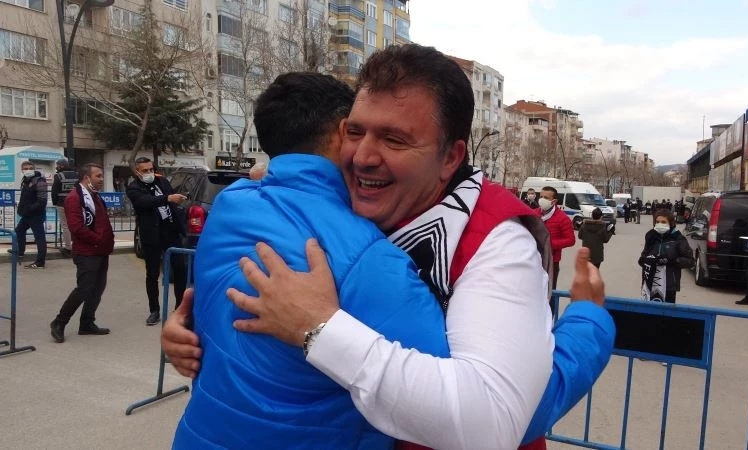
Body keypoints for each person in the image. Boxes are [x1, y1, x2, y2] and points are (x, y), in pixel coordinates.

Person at [163, 45, 613, 450]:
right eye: (355, 132)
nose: (363, 156)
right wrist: (197, 333)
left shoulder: (498, 241)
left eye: (394, 139)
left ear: (450, 157)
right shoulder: (330, 213)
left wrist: (320, 330)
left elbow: (497, 417)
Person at [49, 163, 114, 343]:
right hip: (87, 252)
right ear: (87, 177)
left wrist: (106, 241)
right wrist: (98, 239)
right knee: (84, 289)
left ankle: (87, 323)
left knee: (97, 289)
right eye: (98, 176)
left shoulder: (93, 195)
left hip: (100, 250)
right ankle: (59, 322)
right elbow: (76, 227)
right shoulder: (74, 198)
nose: (101, 179)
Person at [126, 157, 188, 326]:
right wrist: (168, 198)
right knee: (152, 274)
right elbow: (144, 202)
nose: (149, 173)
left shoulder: (162, 182)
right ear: (137, 172)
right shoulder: (134, 188)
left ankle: (180, 307)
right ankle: (154, 310)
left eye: (151, 169)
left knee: (180, 269)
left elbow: (172, 202)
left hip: (171, 232)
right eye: (145, 170)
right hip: (152, 235)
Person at [638, 210, 693, 303]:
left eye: (663, 222)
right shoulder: (651, 236)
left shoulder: (678, 238)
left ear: (671, 223)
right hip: (649, 283)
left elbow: (690, 261)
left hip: (668, 285)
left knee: (665, 310)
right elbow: (644, 256)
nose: (660, 224)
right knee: (648, 310)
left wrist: (673, 261)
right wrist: (643, 260)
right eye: (657, 222)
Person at [534, 186, 576, 292]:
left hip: (551, 262)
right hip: (533, 259)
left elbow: (571, 240)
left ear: (554, 201)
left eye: (546, 198)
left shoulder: (563, 218)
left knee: (549, 292)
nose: (542, 199)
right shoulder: (533, 214)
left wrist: (549, 244)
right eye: (541, 196)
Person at [12, 161, 48, 269]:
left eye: (30, 168)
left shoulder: (39, 181)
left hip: (36, 214)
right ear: (22, 170)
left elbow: (42, 201)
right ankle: (20, 251)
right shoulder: (26, 181)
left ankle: (40, 262)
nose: (28, 170)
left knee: (39, 238)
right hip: (27, 214)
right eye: (25, 168)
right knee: (19, 230)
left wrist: (28, 209)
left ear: (34, 169)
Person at [51, 158, 79, 256]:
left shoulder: (59, 176)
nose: (56, 167)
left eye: (57, 165)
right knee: (76, 224)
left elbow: (54, 191)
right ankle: (77, 245)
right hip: (76, 203)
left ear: (62, 165)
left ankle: (68, 247)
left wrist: (55, 202)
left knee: (65, 225)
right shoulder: (77, 175)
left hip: (62, 203)